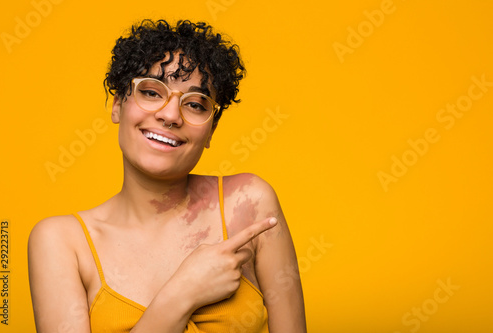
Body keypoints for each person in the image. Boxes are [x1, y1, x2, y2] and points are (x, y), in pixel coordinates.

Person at [28, 19, 306, 333]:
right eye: (150, 92)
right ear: (118, 104)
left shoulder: (249, 203)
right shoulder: (61, 242)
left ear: (211, 130)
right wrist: (181, 295)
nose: (171, 115)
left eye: (196, 105)